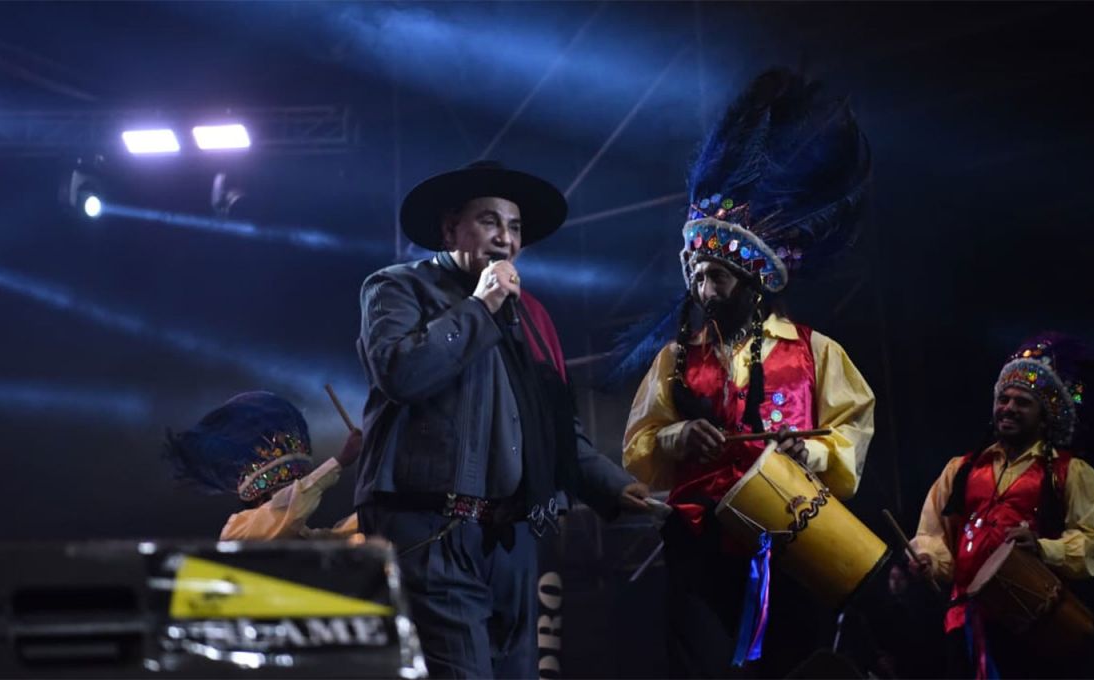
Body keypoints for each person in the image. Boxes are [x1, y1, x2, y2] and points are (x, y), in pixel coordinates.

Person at [621, 68, 875, 678]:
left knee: (792, 665)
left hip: (791, 535)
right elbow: (639, 445)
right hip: (699, 538)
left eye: (719, 278)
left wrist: (809, 453)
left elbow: (851, 433)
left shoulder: (816, 352)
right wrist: (677, 438)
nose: (705, 290)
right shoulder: (676, 360)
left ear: (756, 283)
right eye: (698, 277)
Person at [353, 160, 651, 679]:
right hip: (433, 530)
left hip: (510, 539)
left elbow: (556, 430)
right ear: (450, 230)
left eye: (514, 228)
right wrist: (481, 304)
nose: (505, 239)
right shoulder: (399, 288)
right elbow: (401, 374)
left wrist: (615, 486)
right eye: (489, 221)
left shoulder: (532, 317)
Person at [908, 333, 1094, 678]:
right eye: (1004, 399)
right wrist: (929, 559)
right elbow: (932, 534)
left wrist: (1045, 548)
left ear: (1044, 416)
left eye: (1022, 402)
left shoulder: (1071, 472)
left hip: (1034, 623)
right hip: (966, 620)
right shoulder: (961, 468)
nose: (1009, 408)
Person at [164, 390, 361, 541]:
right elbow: (287, 510)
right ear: (262, 499)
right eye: (287, 490)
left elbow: (342, 535)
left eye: (294, 487)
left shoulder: (300, 536)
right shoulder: (238, 529)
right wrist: (340, 461)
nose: (294, 491)